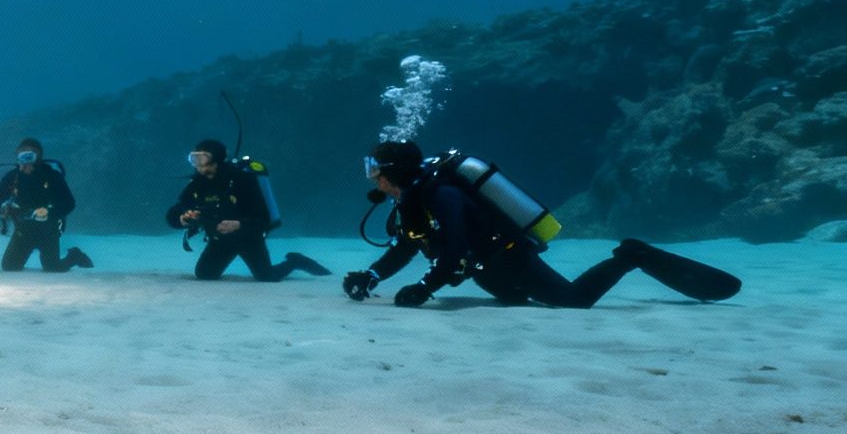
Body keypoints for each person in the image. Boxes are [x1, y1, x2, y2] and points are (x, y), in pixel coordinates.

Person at [342, 139, 741, 309]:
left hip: (510, 256)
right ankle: (629, 257)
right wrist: (372, 276)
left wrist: (424, 287)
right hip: (487, 269)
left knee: (573, 301)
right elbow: (409, 245)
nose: (374, 182)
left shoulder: (442, 194)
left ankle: (630, 256)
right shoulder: (414, 200)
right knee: (515, 303)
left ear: (393, 173)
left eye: (376, 174)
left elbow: (453, 248)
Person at [166, 138, 328, 281]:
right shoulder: (196, 185)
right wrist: (182, 218)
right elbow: (172, 214)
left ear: (218, 159)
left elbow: (263, 218)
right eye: (194, 159)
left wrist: (239, 225)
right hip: (220, 239)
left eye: (203, 159)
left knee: (267, 276)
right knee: (204, 274)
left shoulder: (242, 180)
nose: (199, 166)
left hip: (248, 239)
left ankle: (295, 261)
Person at [0, 138, 93, 272]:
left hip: (48, 231)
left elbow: (69, 203)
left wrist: (48, 212)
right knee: (9, 266)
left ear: (38, 157)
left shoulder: (52, 176)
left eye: (30, 155)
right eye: (22, 155)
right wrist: (4, 207)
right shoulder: (13, 177)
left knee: (52, 267)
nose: (26, 160)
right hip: (22, 231)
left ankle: (74, 256)